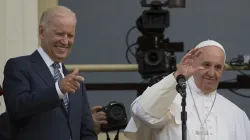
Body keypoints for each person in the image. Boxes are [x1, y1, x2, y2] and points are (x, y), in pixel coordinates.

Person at [2, 6, 97, 140]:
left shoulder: (74, 81)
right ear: (41, 32)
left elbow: (86, 132)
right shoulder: (19, 67)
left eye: (70, 35)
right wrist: (58, 89)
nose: (65, 41)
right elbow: (17, 107)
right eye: (59, 34)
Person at [124, 40, 250, 140]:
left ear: (223, 70)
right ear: (193, 64)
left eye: (218, 67)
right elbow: (143, 113)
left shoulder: (237, 115)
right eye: (206, 65)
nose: (212, 73)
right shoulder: (167, 100)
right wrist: (177, 75)